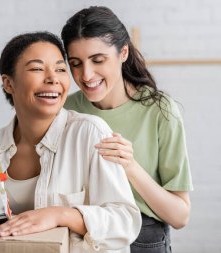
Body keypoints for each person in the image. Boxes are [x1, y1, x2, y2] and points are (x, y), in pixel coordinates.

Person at [0, 31, 141, 252]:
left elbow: (125, 221)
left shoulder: (90, 133)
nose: (53, 78)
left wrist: (61, 214)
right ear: (8, 83)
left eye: (61, 69)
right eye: (37, 69)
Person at [61, 6, 193, 253]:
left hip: (143, 239)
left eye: (98, 60)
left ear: (123, 52)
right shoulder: (66, 110)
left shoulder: (160, 110)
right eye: (76, 63)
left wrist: (130, 166)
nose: (86, 75)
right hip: (82, 235)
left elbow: (180, 216)